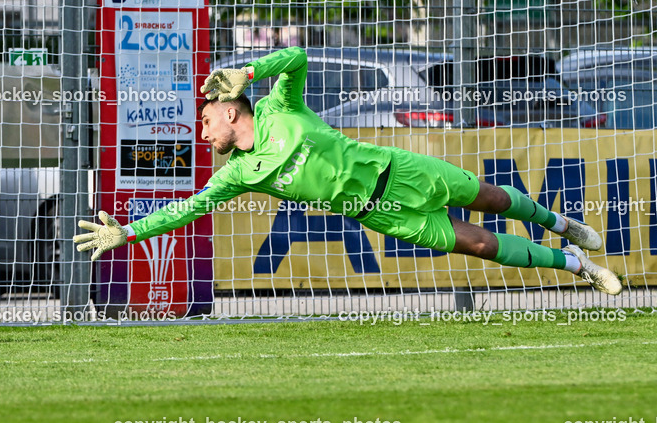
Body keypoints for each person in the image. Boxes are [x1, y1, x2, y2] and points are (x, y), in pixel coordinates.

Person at [74, 46, 624, 295]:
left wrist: (249, 68)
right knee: (478, 244)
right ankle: (575, 265)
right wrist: (128, 231)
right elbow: (187, 209)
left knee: (495, 200)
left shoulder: (277, 108)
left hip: (398, 169)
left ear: (228, 109)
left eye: (204, 122)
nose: (202, 133)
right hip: (377, 210)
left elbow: (296, 61)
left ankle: (558, 222)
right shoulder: (236, 174)